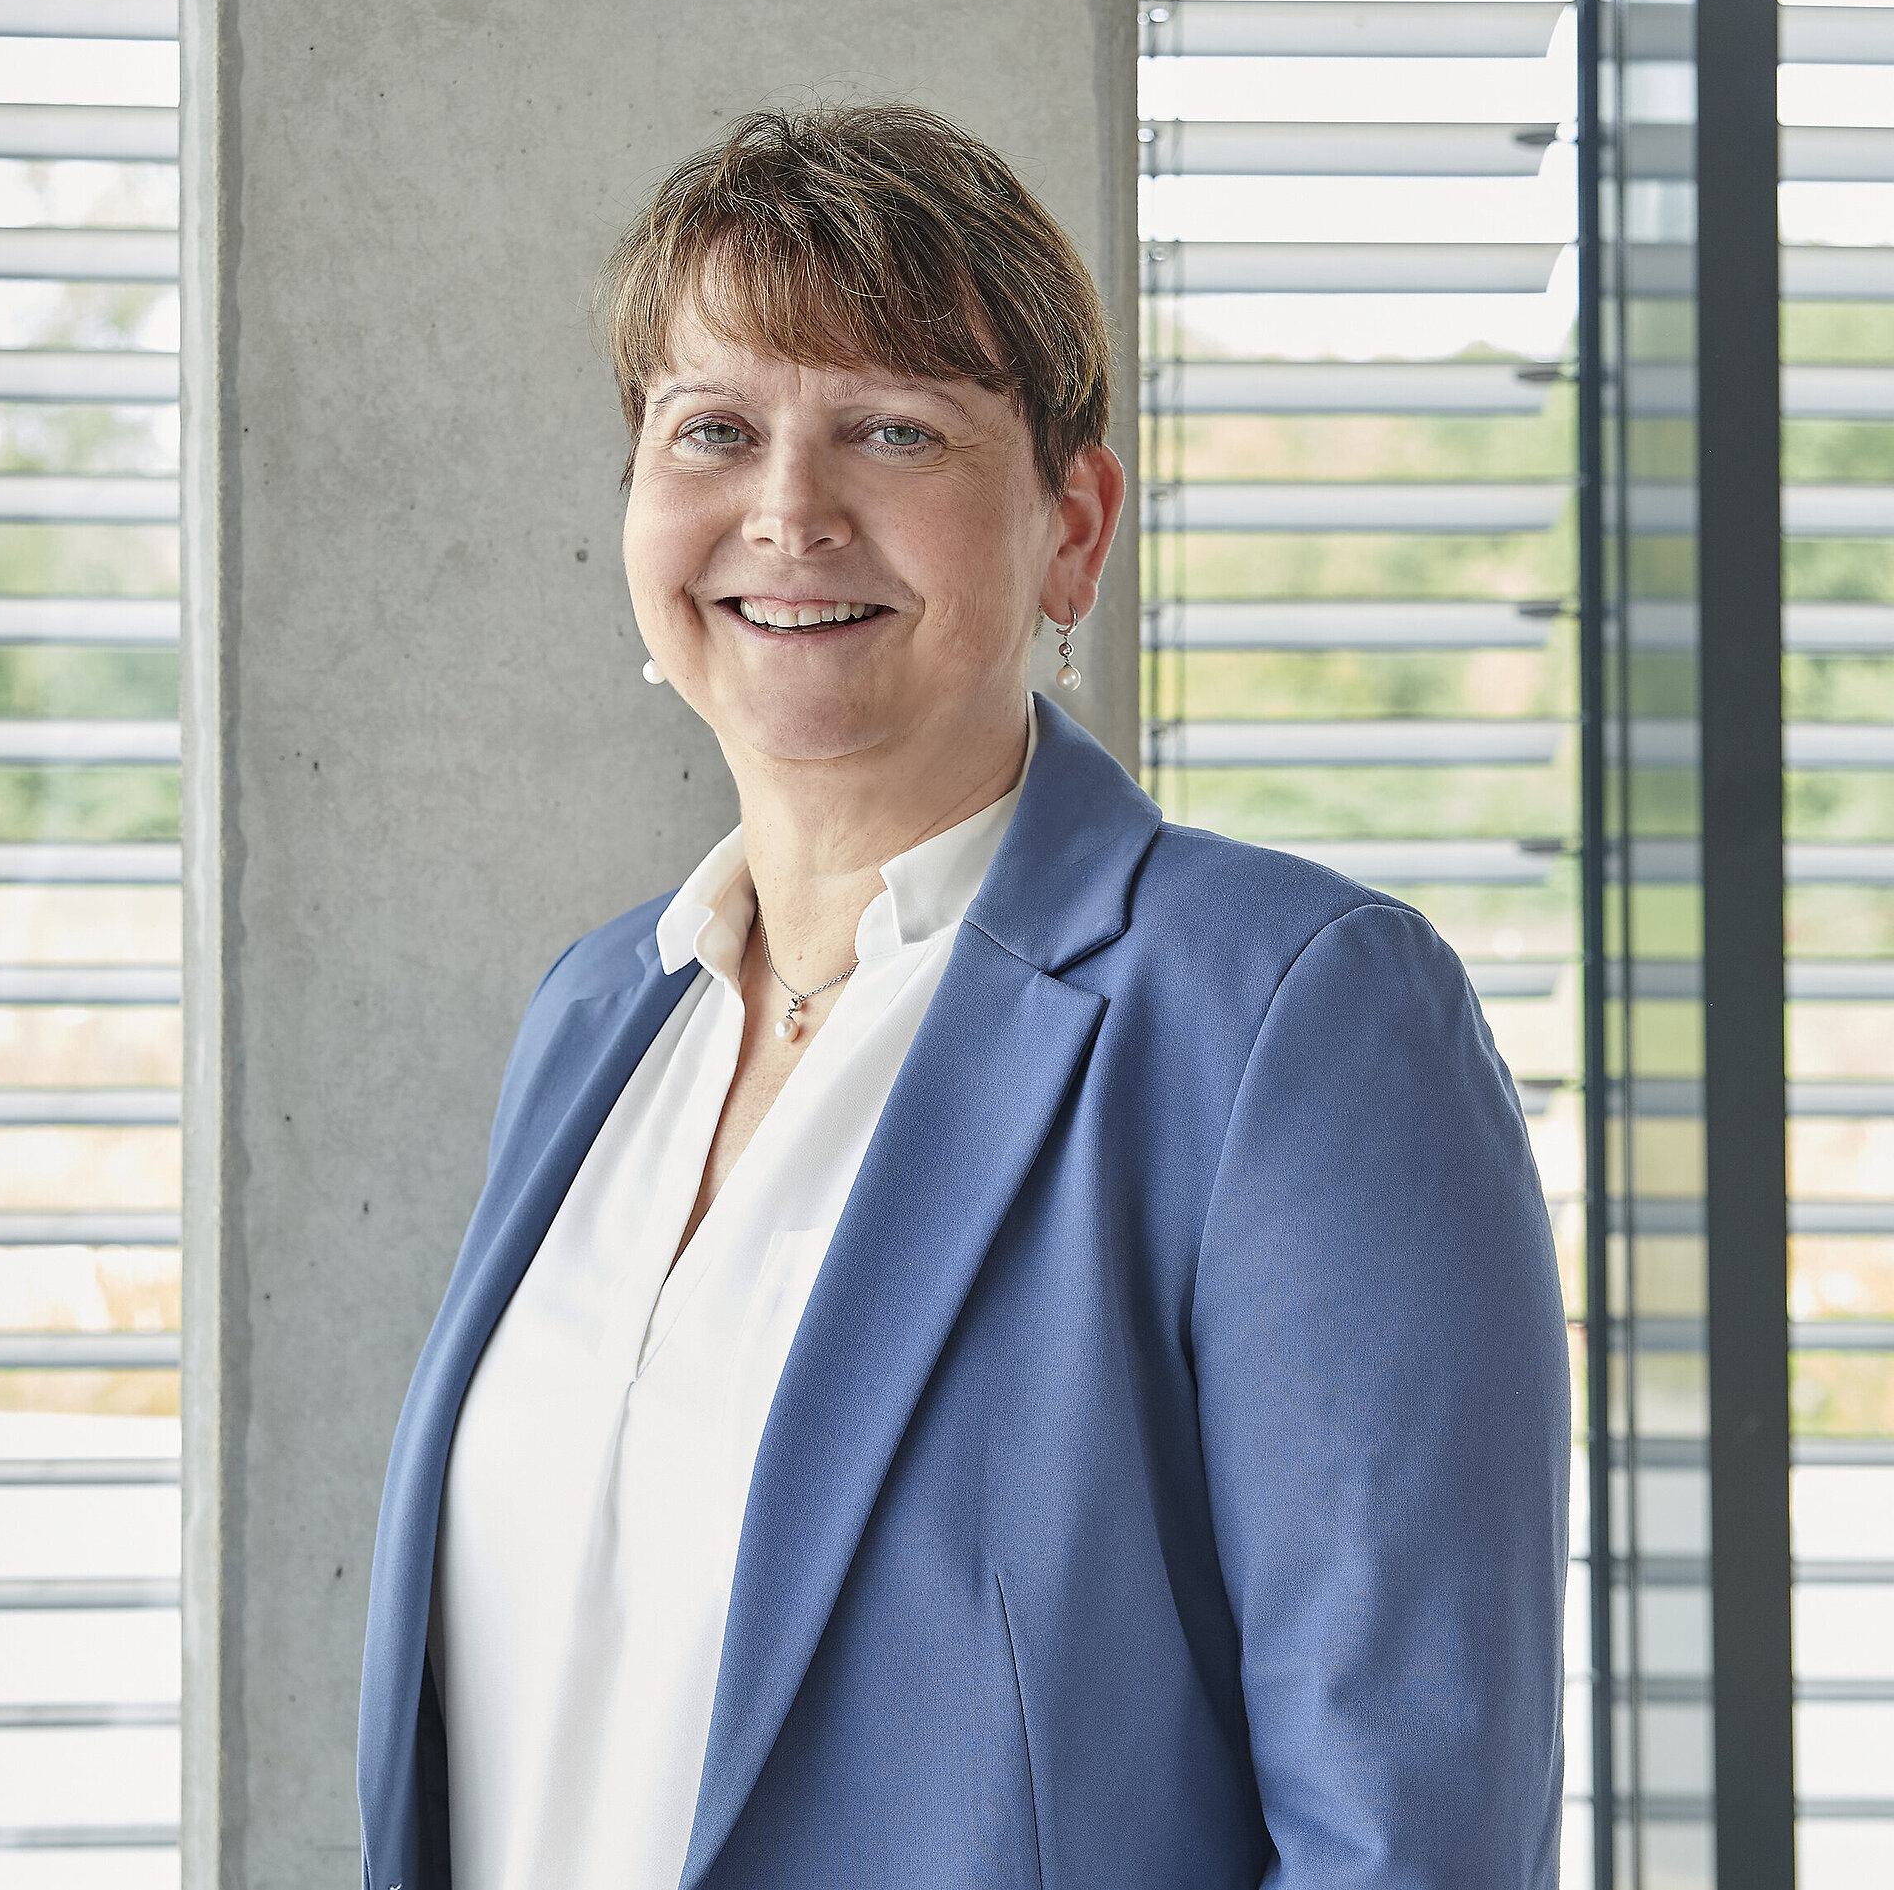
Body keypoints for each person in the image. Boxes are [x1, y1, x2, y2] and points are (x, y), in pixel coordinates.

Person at [357, 103, 1569, 1890]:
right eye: (714, 430)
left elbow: (1413, 1840)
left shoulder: (1286, 1021)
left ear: (1073, 529)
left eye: (894, 428)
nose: (788, 510)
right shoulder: (600, 1016)